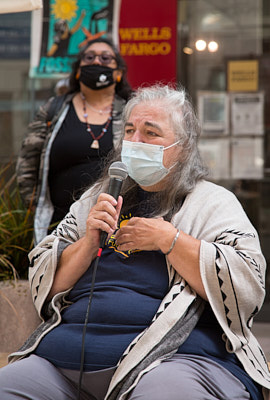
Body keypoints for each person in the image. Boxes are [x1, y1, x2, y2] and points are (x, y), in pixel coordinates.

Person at [3, 84, 270, 400]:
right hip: (62, 360)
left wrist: (168, 240)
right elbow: (46, 283)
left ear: (183, 147)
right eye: (129, 130)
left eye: (150, 133)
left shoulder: (212, 203)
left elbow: (247, 284)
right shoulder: (95, 198)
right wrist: (88, 243)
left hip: (172, 359)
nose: (135, 142)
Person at [16, 37, 133, 244]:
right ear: (78, 71)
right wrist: (38, 208)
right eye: (89, 57)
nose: (97, 62)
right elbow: (27, 162)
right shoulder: (54, 109)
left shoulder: (132, 113)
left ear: (118, 73)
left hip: (115, 227)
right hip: (57, 227)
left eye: (105, 58)